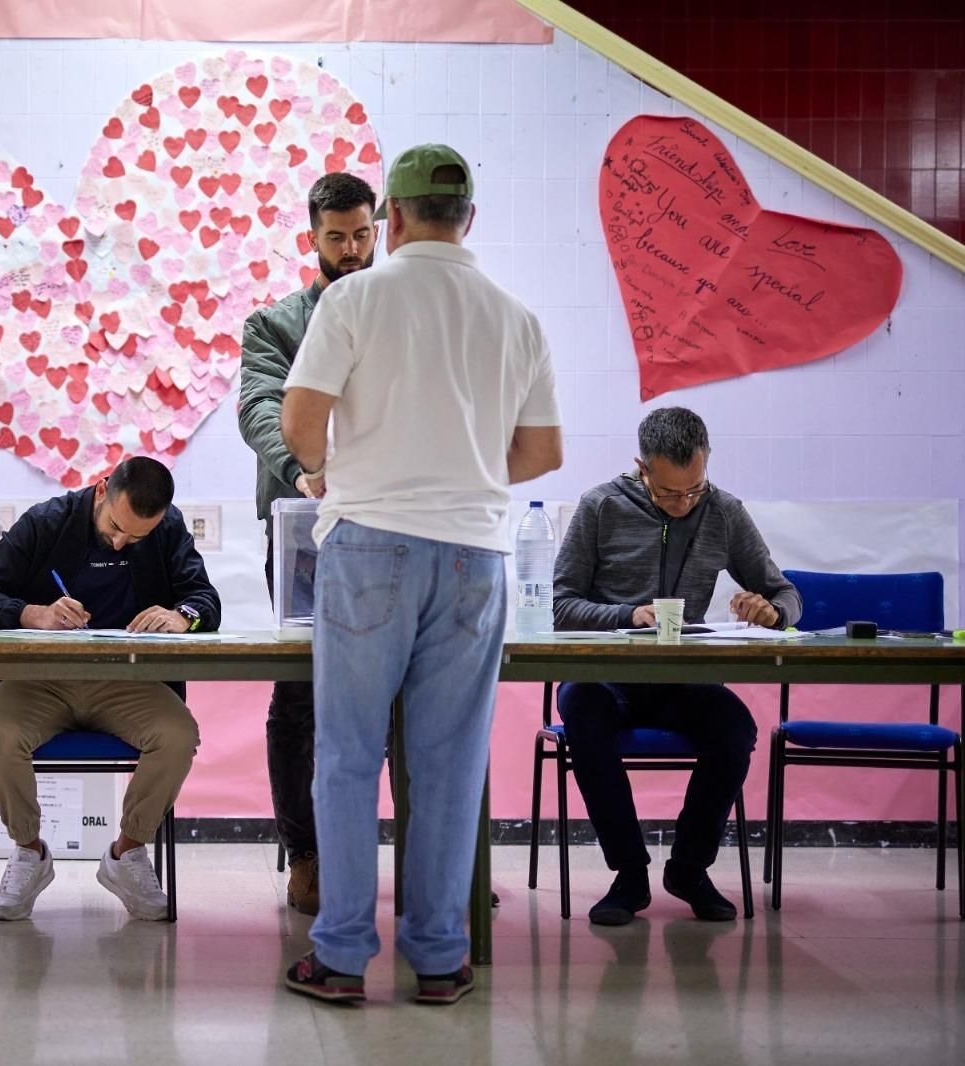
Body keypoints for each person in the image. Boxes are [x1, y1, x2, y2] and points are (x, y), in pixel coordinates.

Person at [279, 144, 563, 1005]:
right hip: (478, 554)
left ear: (391, 219)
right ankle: (440, 958)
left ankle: (339, 956)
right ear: (469, 218)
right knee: (447, 761)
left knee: (349, 755)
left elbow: (299, 423)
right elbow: (543, 453)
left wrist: (344, 469)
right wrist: (459, 474)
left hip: (369, 544)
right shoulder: (516, 316)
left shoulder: (355, 297)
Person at [553, 406, 801, 926]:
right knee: (581, 708)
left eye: (694, 490)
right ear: (642, 469)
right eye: (669, 493)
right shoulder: (599, 507)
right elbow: (561, 604)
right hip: (609, 678)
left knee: (734, 726)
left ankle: (688, 868)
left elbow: (785, 594)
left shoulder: (724, 511)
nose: (684, 504)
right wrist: (627, 615)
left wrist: (773, 612)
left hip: (682, 678)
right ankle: (629, 873)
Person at [0, 456, 221, 921]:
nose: (122, 541)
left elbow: (204, 600)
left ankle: (127, 853)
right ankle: (28, 852)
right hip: (38, 678)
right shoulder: (46, 521)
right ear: (101, 492)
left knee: (177, 734)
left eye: (137, 537)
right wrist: (30, 613)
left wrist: (183, 617)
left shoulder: (169, 528)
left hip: (127, 680)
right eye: (115, 527)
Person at [237, 171, 378, 915]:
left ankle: (426, 854)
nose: (351, 250)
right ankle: (307, 856)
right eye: (336, 238)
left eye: (361, 235)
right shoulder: (276, 324)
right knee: (301, 697)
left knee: (409, 698)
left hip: (393, 527)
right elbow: (260, 407)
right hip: (304, 535)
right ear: (312, 238)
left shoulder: (403, 311)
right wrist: (303, 467)